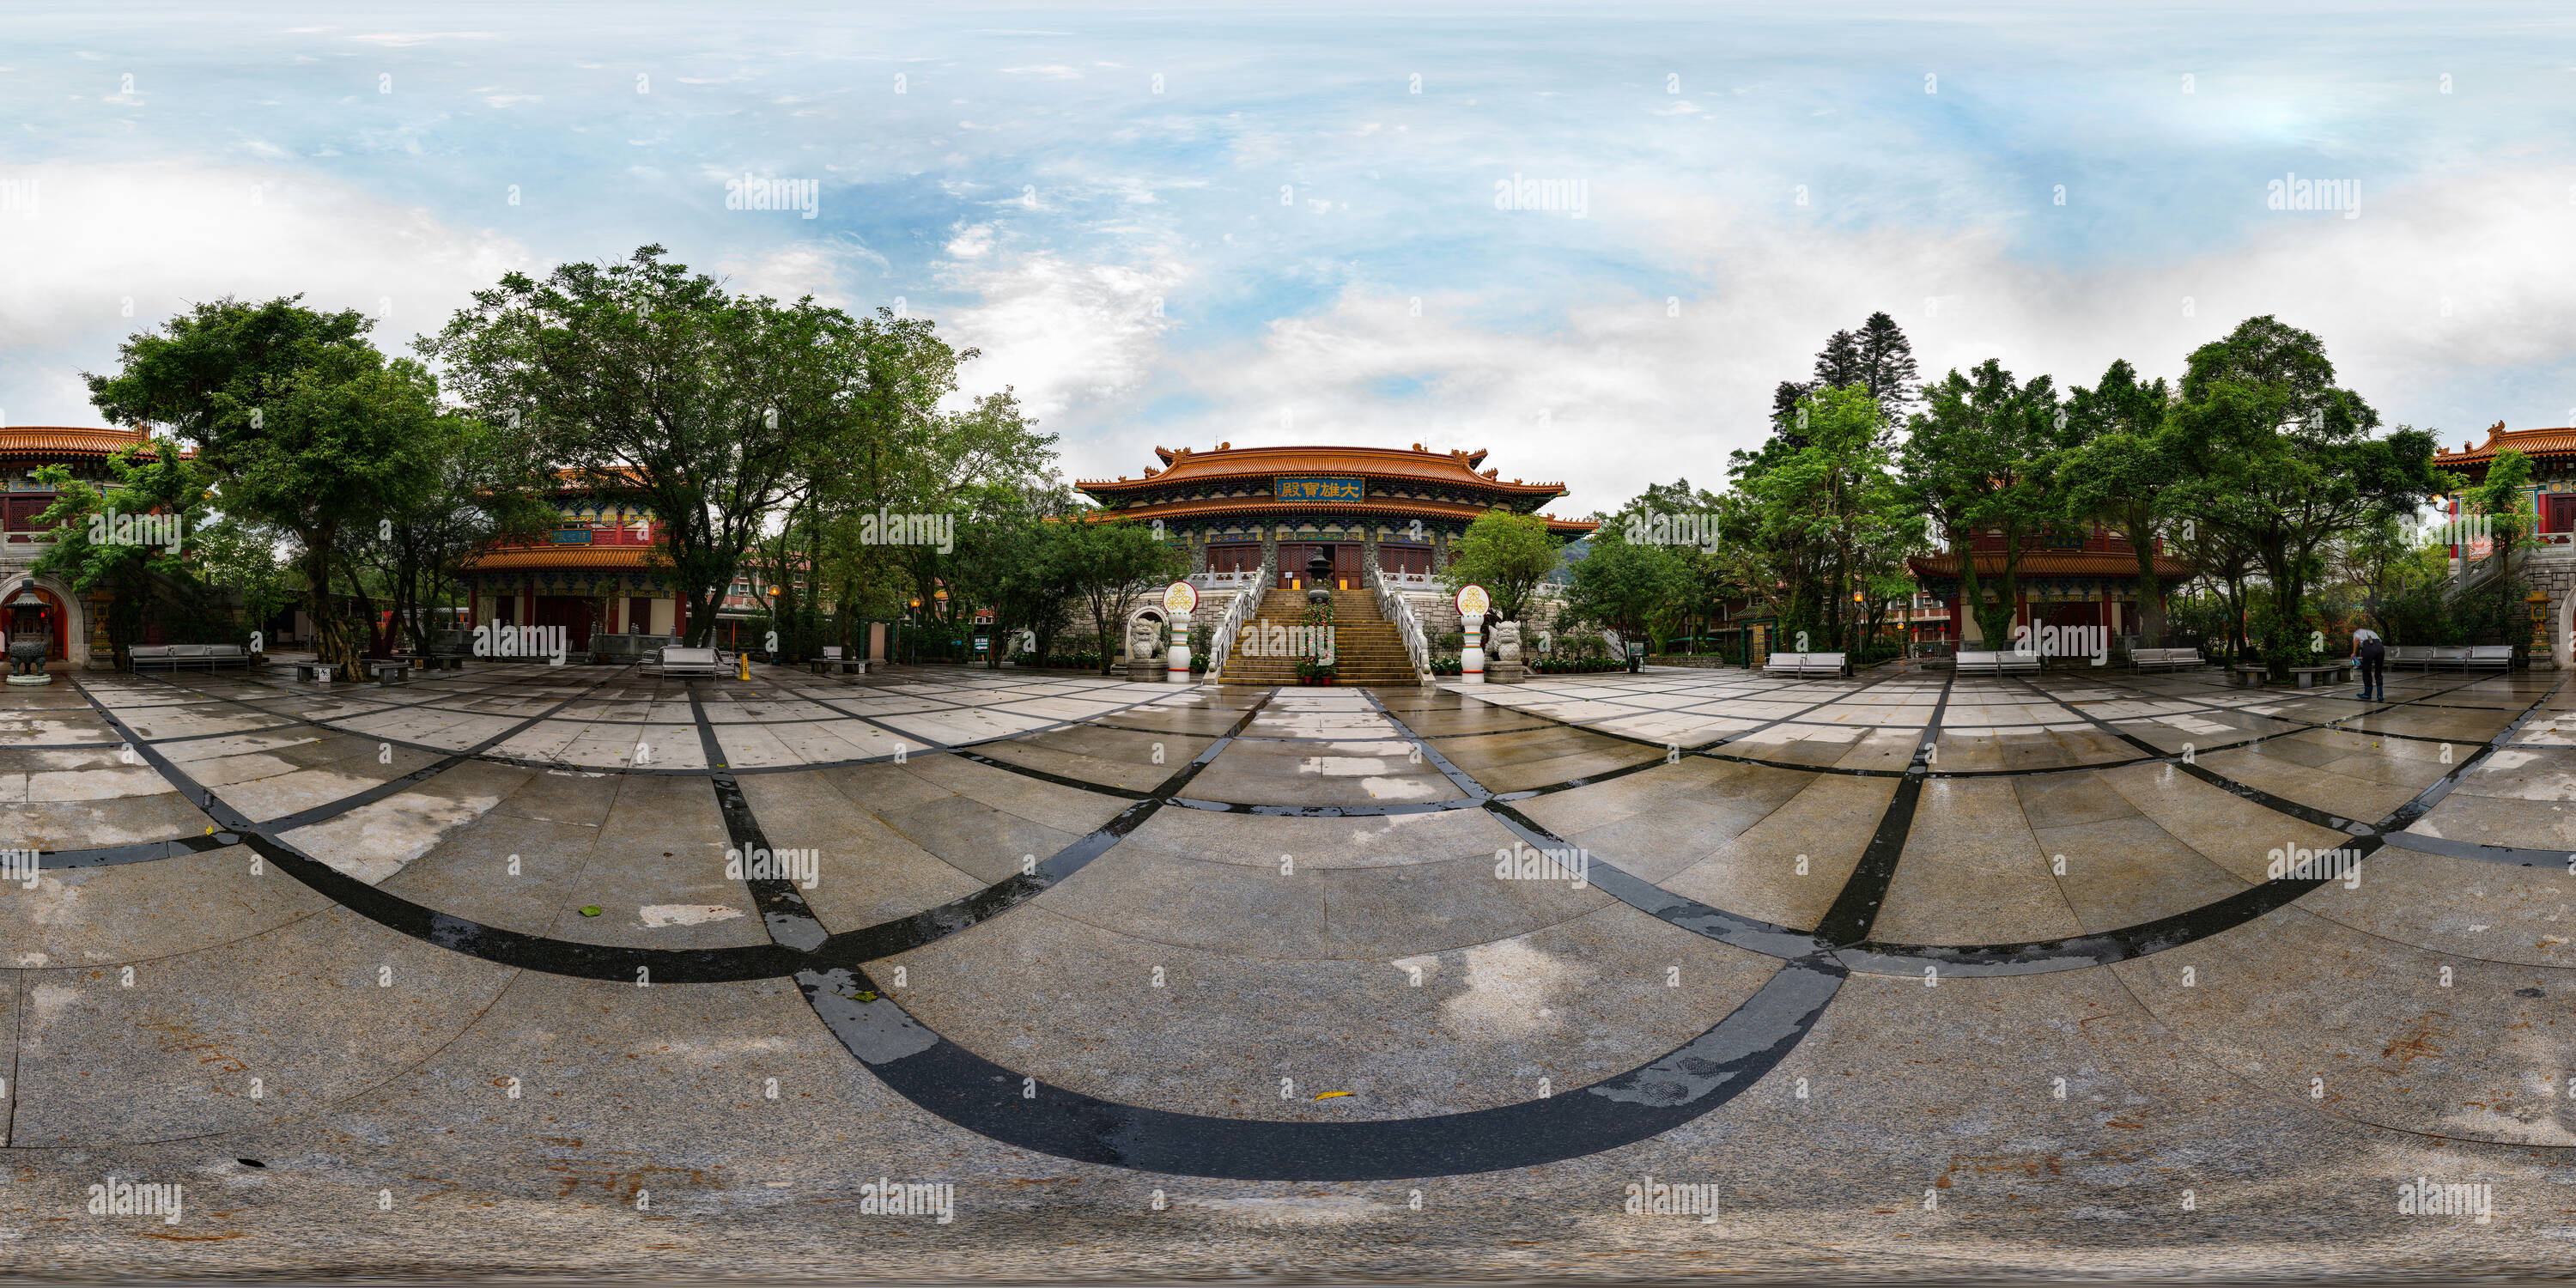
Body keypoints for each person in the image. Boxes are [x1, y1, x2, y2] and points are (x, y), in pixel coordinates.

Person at [2352, 625, 2385, 702]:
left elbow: (2357, 639)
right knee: (2378, 672)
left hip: (2369, 647)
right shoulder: (2372, 632)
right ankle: (2380, 695)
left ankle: (2367, 694)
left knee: (2366, 671)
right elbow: (2379, 642)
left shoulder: (2357, 632)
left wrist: (2353, 653)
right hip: (2380, 648)